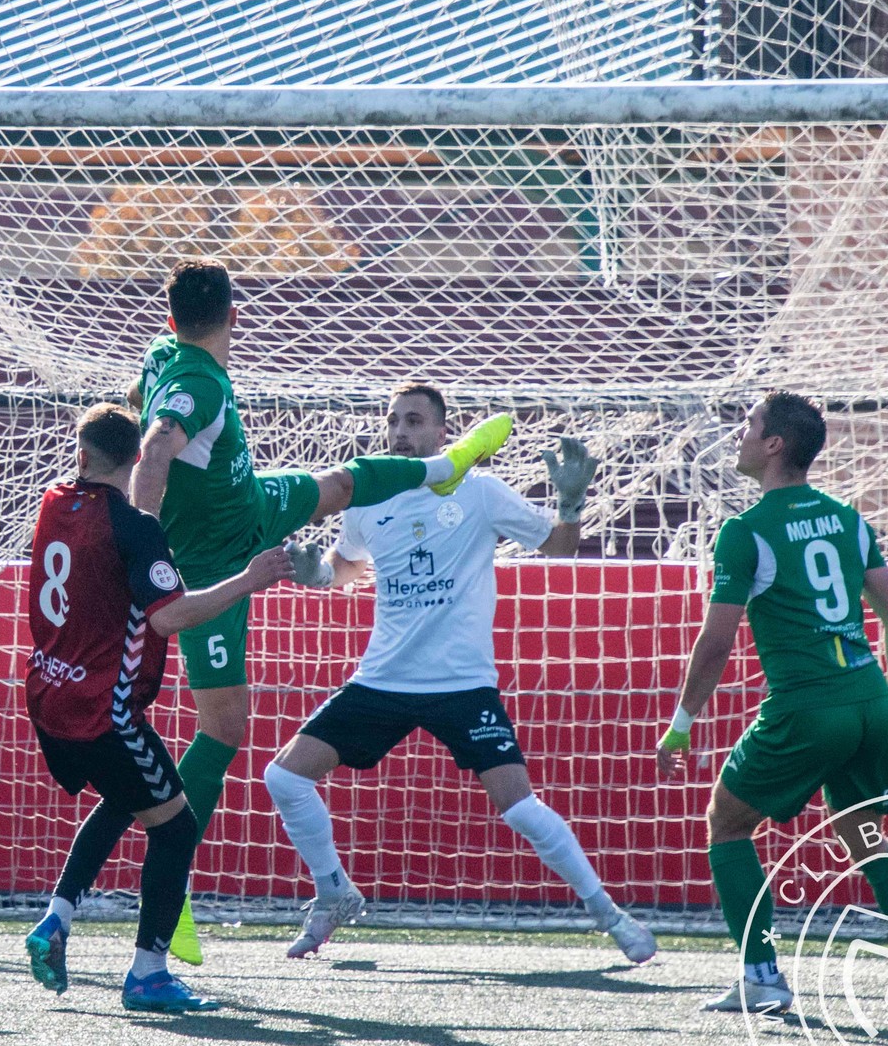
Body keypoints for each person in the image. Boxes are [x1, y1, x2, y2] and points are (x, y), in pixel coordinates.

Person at [129, 258, 511, 962]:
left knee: (343, 483)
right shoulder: (196, 379)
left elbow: (150, 418)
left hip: (249, 502)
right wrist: (140, 545)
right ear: (234, 316)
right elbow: (154, 450)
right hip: (213, 561)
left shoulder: (163, 355)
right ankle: (171, 887)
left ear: (172, 315)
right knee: (226, 727)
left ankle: (443, 467)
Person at [262, 383, 656, 963]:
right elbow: (345, 569)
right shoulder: (369, 499)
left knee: (520, 806)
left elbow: (561, 546)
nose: (399, 431)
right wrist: (314, 572)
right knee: (284, 778)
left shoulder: (481, 492)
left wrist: (571, 503)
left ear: (446, 434)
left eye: (414, 421)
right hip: (383, 680)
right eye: (393, 421)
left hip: (462, 685)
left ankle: (608, 913)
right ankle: (333, 893)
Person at [656, 392, 888, 1014]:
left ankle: (762, 977)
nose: (740, 435)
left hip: (806, 706)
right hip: (868, 699)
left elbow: (715, 645)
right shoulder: (846, 518)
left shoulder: (746, 531)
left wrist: (681, 724)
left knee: (728, 824)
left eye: (750, 426)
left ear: (773, 445)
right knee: (867, 837)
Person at [22, 404, 294, 1012]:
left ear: (81, 456)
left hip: (47, 699)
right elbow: (168, 616)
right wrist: (249, 579)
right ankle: (147, 974)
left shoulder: (51, 503)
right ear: (139, 457)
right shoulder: (137, 527)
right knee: (176, 827)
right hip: (104, 711)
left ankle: (56, 920)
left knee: (127, 798)